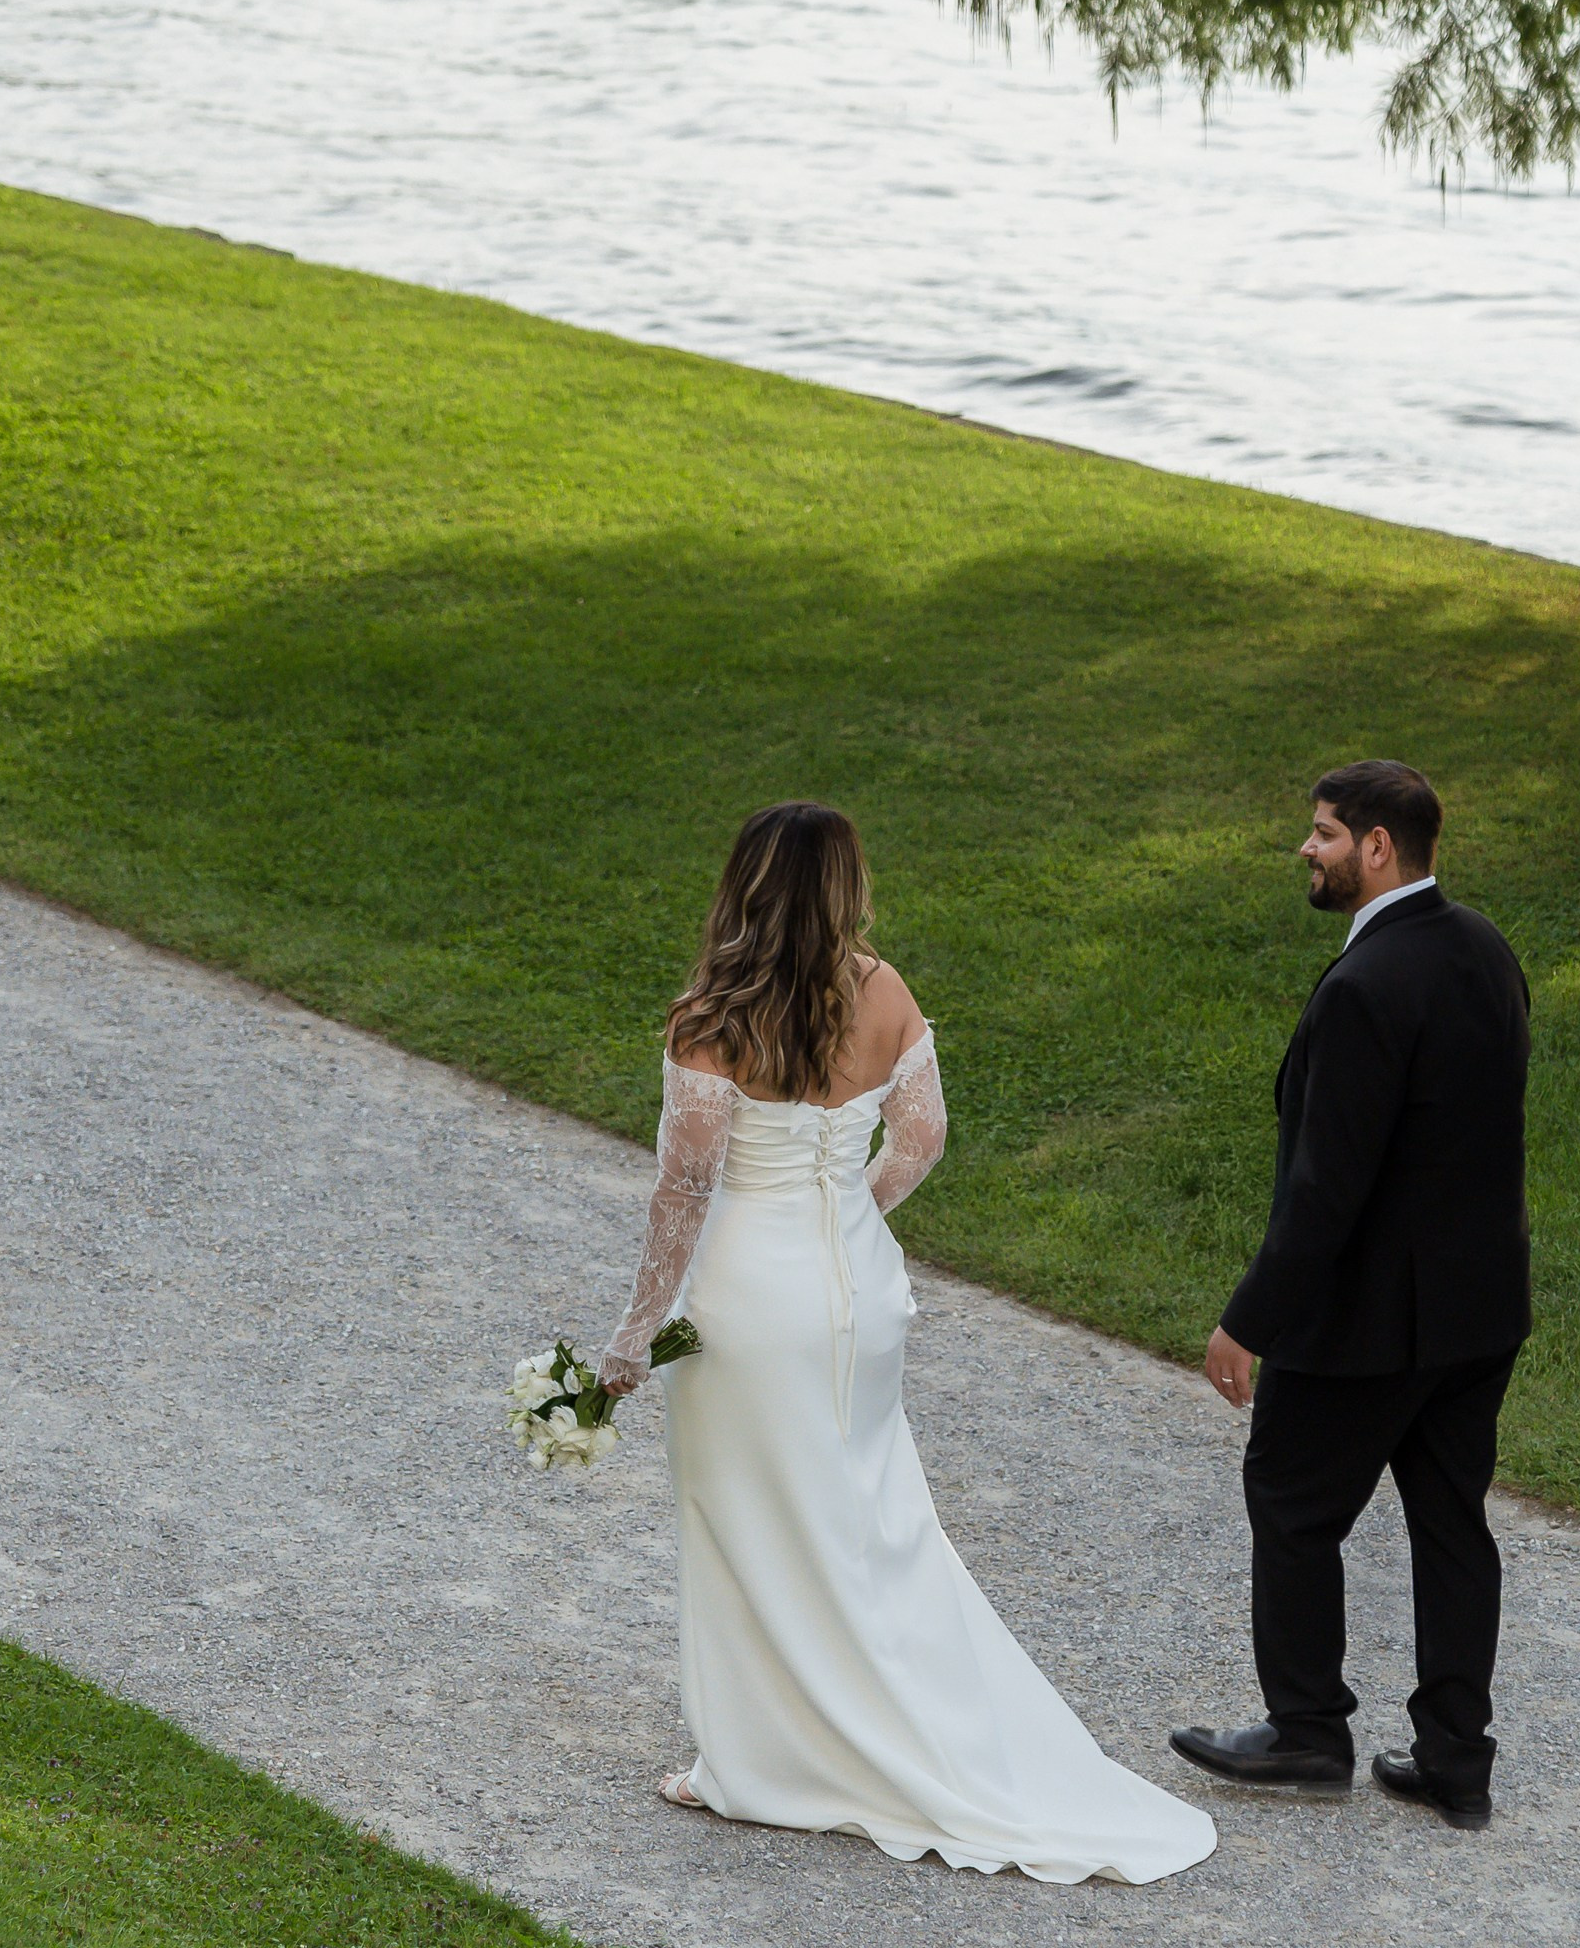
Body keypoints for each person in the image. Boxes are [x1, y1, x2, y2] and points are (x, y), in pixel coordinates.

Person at [600, 802, 1216, 1885]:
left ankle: (757, 1763)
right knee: (866, 1514)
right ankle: (883, 1723)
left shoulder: (712, 1014)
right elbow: (922, 1137)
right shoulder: (883, 991)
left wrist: (631, 1335)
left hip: (751, 1300)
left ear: (744, 883)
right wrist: (848, 1216)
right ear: (844, 886)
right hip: (859, 1295)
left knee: (745, 1515)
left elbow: (686, 1186)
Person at [1170, 760, 1530, 1829]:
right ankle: (1456, 1761)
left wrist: (1249, 1320)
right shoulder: (1486, 951)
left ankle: (1306, 1731)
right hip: (1478, 1312)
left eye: (1323, 833)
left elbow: (1328, 1189)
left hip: (1372, 1323)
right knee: (1452, 1523)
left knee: (1290, 1504)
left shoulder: (1366, 986)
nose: (1307, 849)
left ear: (1379, 848)